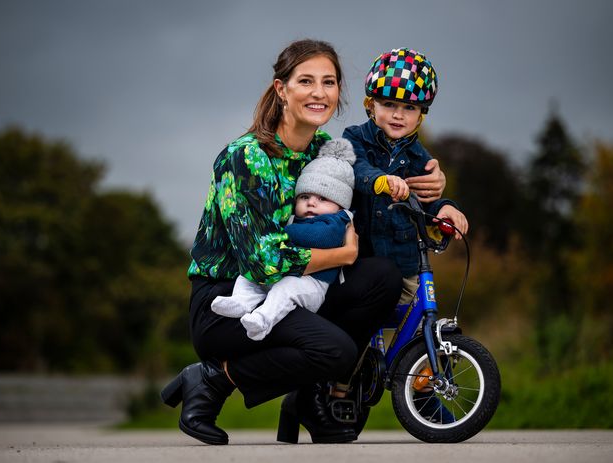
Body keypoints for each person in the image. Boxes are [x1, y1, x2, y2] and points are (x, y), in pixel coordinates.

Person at [160, 39, 448, 446]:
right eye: (306, 81)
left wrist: (437, 188)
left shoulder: (325, 153)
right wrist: (342, 253)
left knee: (381, 276)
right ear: (282, 90)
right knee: (338, 351)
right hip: (228, 301)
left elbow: (382, 176)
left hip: (296, 289)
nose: (319, 92)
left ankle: (309, 400)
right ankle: (210, 379)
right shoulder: (244, 158)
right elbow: (261, 263)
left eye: (328, 82)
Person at [343, 47, 469, 305]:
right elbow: (356, 168)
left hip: (404, 261)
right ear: (371, 105)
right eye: (389, 104)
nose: (398, 114)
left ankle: (418, 347)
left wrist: (444, 208)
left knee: (416, 316)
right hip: (359, 258)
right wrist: (381, 181)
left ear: (420, 115)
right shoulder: (355, 137)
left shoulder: (419, 156)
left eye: (409, 107)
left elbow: (424, 199)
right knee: (360, 320)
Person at [210, 138, 356, 341]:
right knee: (249, 275)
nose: (311, 203)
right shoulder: (295, 219)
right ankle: (242, 300)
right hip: (282, 273)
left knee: (285, 290)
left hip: (310, 286)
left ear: (340, 205)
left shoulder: (338, 221)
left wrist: (280, 234)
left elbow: (320, 237)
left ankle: (263, 320)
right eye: (305, 197)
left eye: (322, 198)